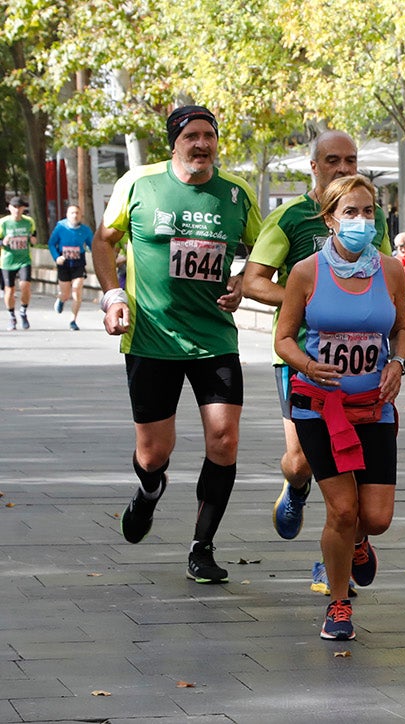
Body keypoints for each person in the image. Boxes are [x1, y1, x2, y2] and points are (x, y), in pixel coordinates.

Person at [92, 105, 261, 583]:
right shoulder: (138, 184)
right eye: (192, 136)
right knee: (154, 454)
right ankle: (147, 495)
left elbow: (265, 251)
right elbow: (104, 240)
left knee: (224, 441)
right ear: (175, 142)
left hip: (215, 339)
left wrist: (242, 282)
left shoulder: (236, 193)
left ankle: (202, 548)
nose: (202, 144)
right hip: (151, 338)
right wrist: (112, 297)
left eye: (209, 135)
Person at [274, 174, 405, 641]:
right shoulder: (307, 272)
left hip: (375, 406)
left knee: (375, 519)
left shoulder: (391, 271)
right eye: (350, 212)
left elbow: (401, 331)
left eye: (369, 211)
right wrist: (309, 365)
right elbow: (283, 338)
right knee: (342, 508)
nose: (361, 220)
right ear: (330, 219)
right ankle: (338, 604)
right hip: (320, 407)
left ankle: (359, 544)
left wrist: (398, 362)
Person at [243, 130, 391, 547]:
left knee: (357, 465)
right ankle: (296, 487)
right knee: (302, 460)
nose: (343, 168)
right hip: (300, 355)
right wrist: (307, 303)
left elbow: (385, 274)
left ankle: (342, 547)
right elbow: (253, 282)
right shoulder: (289, 218)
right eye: (332, 161)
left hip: (363, 364)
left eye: (350, 160)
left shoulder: (369, 217)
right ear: (314, 166)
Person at [49, 204, 94, 330]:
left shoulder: (85, 230)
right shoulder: (60, 227)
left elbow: (92, 245)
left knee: (77, 290)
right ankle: (61, 299)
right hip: (64, 263)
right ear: (67, 215)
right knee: (66, 293)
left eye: (77, 213)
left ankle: (73, 320)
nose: (75, 215)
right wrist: (56, 257)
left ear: (81, 215)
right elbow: (52, 244)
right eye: (72, 213)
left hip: (78, 262)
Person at [2, 196, 36, 331]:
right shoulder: (3, 223)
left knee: (25, 285)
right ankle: (11, 315)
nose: (17, 210)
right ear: (9, 208)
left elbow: (34, 236)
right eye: (14, 207)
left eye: (19, 207)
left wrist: (33, 240)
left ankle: (23, 311)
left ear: (23, 208)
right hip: (8, 260)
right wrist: (3, 242)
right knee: (9, 291)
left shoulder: (29, 221)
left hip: (24, 259)